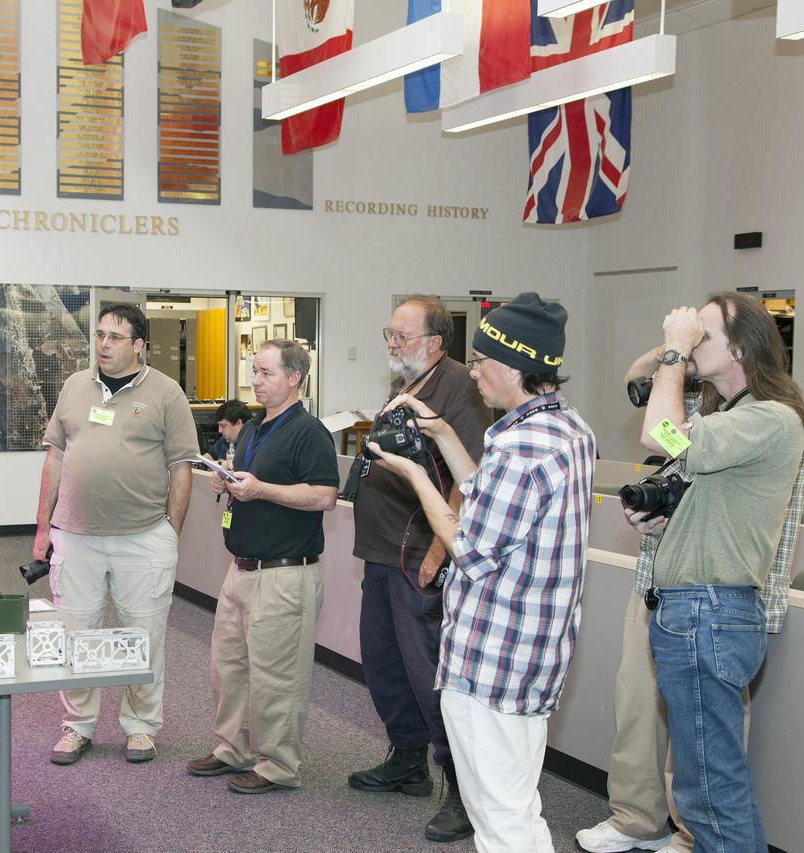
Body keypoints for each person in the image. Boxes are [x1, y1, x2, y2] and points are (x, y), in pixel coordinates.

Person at [369, 292, 594, 852]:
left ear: (514, 366)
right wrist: (442, 432)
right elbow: (490, 496)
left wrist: (415, 475)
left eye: (480, 361)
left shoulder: (521, 447)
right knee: (519, 805)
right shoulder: (565, 428)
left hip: (494, 658)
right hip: (533, 653)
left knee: (499, 819)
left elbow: (469, 548)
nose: (471, 372)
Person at [576, 337, 804, 853]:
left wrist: (677, 351)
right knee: (640, 708)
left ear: (741, 347)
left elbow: (661, 435)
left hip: (719, 596)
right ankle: (638, 819)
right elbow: (635, 385)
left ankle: (690, 836)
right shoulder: (707, 402)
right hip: (665, 582)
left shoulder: (769, 417)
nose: (691, 346)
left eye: (706, 335)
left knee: (706, 757)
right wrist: (673, 344)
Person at [348, 296, 491, 842]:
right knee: (384, 663)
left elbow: (468, 473)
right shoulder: (406, 383)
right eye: (389, 333)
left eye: (401, 336)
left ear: (434, 342)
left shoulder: (458, 387)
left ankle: (460, 788)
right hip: (382, 550)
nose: (392, 343)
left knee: (430, 672)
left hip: (420, 554)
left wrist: (438, 550)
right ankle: (407, 760)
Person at [32, 303, 198, 765]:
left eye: (115, 337)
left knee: (143, 637)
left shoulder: (166, 393)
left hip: (143, 537)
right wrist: (43, 527)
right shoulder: (74, 386)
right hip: (76, 536)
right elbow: (54, 459)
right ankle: (77, 726)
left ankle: (141, 727)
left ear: (139, 345)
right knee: (75, 633)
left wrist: (171, 533)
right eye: (100, 335)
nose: (103, 344)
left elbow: (181, 467)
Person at [187, 340, 338, 794]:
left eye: (266, 372)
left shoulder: (309, 432)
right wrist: (228, 481)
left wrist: (261, 489)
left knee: (277, 678)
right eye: (254, 371)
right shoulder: (254, 427)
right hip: (241, 569)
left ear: (294, 378)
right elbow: (249, 481)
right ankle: (232, 748)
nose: (255, 380)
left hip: (284, 572)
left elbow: (324, 496)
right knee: (229, 668)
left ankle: (277, 765)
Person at [202, 399, 252, 465]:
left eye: (223, 426)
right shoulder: (226, 440)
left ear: (238, 423)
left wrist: (221, 463)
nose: (219, 430)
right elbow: (209, 455)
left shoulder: (253, 443)